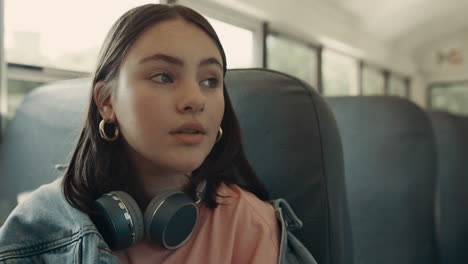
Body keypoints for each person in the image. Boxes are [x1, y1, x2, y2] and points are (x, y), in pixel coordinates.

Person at [0, 4, 281, 263]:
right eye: (163, 77)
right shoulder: (40, 225)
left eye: (210, 80)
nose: (196, 99)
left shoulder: (250, 224)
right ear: (107, 102)